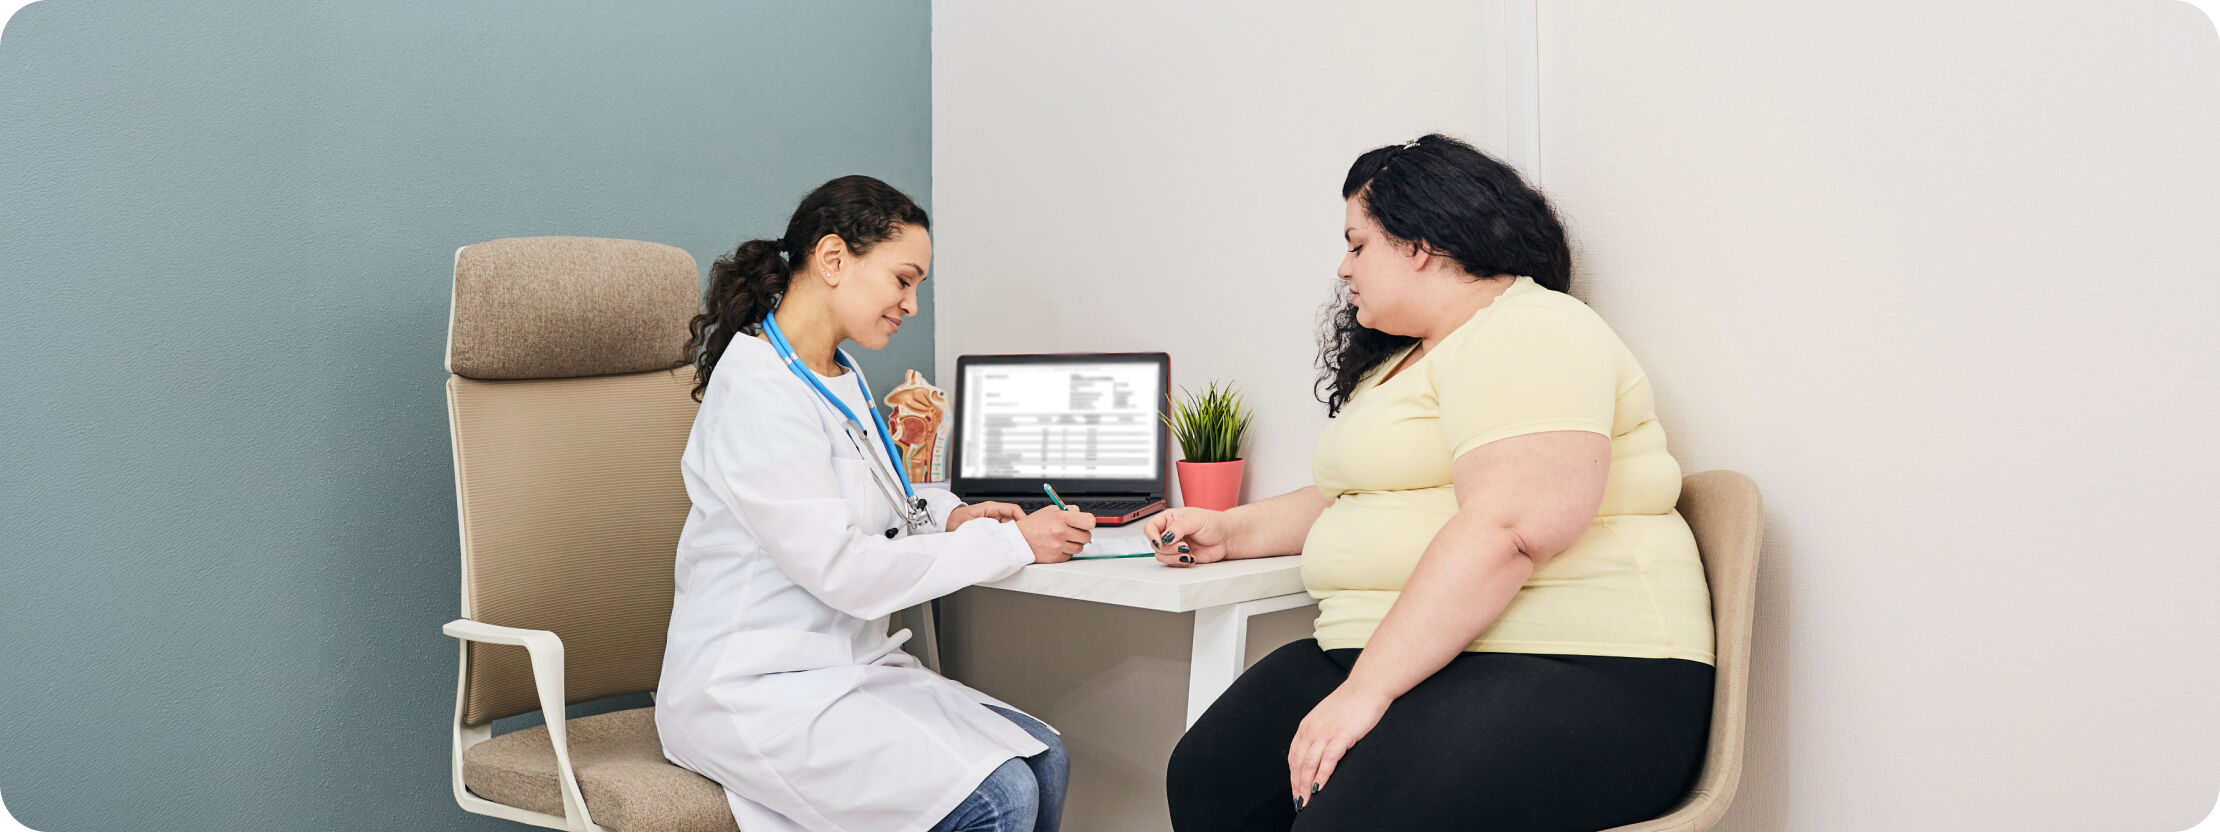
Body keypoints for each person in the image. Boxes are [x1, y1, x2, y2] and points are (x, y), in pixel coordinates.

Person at [1154, 136, 1716, 831]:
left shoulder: (1531, 328)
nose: (1343, 267)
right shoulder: (1402, 363)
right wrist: (1228, 531)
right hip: (1412, 657)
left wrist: (1366, 690)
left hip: (1578, 662)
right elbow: (1351, 497)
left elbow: (1510, 529)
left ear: (1418, 243)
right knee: (1211, 775)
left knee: (1344, 824)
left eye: (1358, 244)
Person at [655, 175, 1094, 831]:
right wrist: (1011, 544)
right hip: (753, 689)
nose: (911, 304)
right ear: (833, 259)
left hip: (842, 667)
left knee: (1045, 757)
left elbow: (868, 495)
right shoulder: (758, 391)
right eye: (903, 280)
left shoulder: (838, 373)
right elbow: (844, 570)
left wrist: (950, 516)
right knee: (1001, 795)